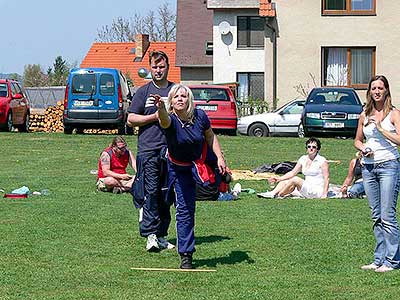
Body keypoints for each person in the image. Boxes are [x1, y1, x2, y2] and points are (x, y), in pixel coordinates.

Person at [154, 84, 226, 269]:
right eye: (176, 96)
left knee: (185, 210)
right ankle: (156, 233)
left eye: (183, 96)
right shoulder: (170, 119)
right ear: (171, 101)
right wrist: (161, 109)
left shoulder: (200, 116)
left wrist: (220, 158)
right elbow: (163, 121)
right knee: (163, 202)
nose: (180, 99)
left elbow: (210, 137)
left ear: (189, 100)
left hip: (190, 168)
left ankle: (186, 254)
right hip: (171, 167)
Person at [127, 50, 175, 252]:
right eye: (154, 67)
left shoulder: (175, 91)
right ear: (150, 68)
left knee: (167, 194)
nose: (158, 70)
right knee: (151, 192)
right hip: (149, 150)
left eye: (161, 66)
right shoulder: (143, 92)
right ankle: (151, 235)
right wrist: (154, 116)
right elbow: (131, 119)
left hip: (171, 150)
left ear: (167, 67)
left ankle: (162, 235)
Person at [354, 75, 400, 273]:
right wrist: (363, 148)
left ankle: (392, 261)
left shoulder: (394, 114)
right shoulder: (364, 114)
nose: (377, 91)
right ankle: (379, 259)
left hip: (389, 165)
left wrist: (380, 128)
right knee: (376, 216)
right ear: (369, 92)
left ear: (386, 90)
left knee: (388, 215)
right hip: (369, 167)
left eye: (380, 88)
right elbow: (357, 140)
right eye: (374, 88)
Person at [258, 137, 329, 199]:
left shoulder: (322, 160)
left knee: (295, 179)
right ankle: (272, 193)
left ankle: (279, 195)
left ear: (317, 149)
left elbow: (326, 178)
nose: (311, 149)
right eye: (309, 146)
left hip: (316, 190)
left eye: (314, 147)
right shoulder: (303, 158)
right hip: (306, 187)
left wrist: (324, 194)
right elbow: (292, 172)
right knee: (285, 180)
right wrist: (278, 179)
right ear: (306, 148)